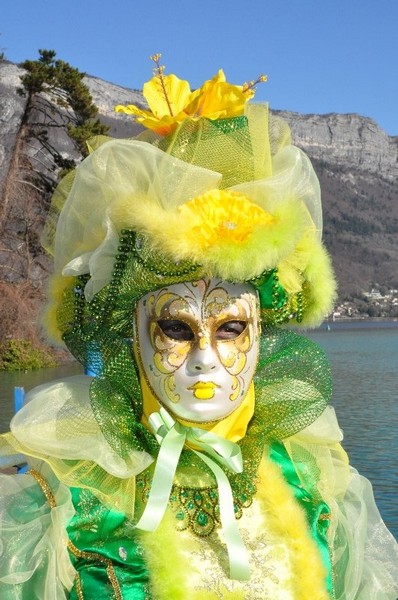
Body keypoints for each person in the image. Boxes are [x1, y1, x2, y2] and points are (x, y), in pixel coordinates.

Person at [0, 56, 397, 599]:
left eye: (231, 328)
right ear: (130, 334)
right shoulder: (61, 501)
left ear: (262, 330)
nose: (205, 360)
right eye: (177, 329)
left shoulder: (321, 486)